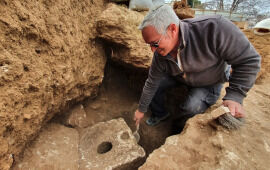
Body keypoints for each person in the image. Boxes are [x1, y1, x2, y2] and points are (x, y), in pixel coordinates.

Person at [133, 4, 261, 130]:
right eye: (149, 45)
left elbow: (249, 60)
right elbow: (151, 82)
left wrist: (235, 96)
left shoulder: (214, 28)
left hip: (209, 82)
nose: (152, 50)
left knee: (190, 108)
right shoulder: (160, 54)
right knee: (156, 87)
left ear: (172, 29)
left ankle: (177, 130)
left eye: (155, 43)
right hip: (180, 76)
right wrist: (141, 109)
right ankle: (161, 114)